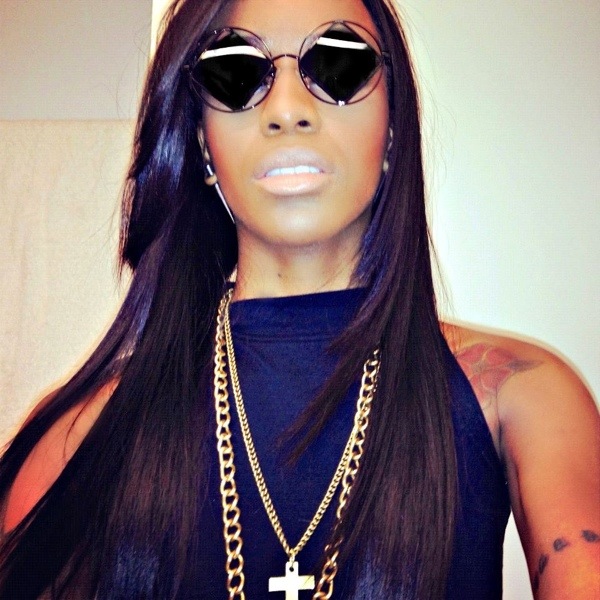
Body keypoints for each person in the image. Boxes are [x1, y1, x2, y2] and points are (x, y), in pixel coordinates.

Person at [0, 0, 598, 597]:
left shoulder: (522, 397)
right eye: (234, 70)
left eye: (339, 63)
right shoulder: (81, 433)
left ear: (393, 126)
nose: (287, 109)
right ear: (202, 141)